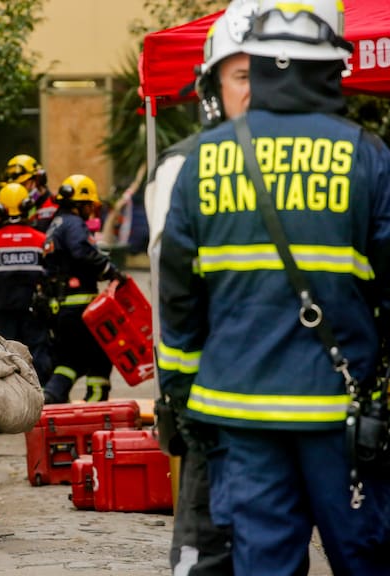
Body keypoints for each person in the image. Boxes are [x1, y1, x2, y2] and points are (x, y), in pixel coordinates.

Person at [157, 1, 390, 574]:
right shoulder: (367, 155)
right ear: (330, 70)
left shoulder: (201, 162)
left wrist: (180, 396)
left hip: (238, 417)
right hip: (339, 417)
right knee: (366, 557)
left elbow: (179, 302)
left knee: (263, 564)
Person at [145, 1, 257, 573]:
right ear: (213, 85)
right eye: (243, 75)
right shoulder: (182, 167)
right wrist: (178, 394)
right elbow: (173, 293)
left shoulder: (335, 155)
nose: (257, 90)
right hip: (214, 402)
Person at [41, 174, 124, 404]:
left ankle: (51, 397)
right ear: (80, 204)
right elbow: (82, 252)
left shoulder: (56, 224)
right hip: (79, 308)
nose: (91, 210)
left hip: (60, 308)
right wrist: (110, 271)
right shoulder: (73, 224)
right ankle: (96, 405)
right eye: (90, 205)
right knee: (100, 355)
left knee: (69, 361)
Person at [0, 182, 52, 385]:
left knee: (1, 366)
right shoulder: (41, 241)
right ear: (28, 207)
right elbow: (51, 278)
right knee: (38, 368)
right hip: (34, 316)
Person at [1, 154, 58, 233]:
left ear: (38, 180)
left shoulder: (54, 207)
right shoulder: (11, 210)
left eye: (22, 185)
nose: (18, 191)